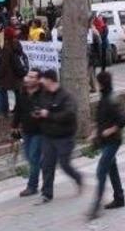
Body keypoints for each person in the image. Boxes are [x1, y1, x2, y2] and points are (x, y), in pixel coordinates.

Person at [36, 69, 82, 203]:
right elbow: (41, 107)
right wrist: (38, 114)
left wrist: (48, 115)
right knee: (46, 164)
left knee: (64, 164)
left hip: (64, 136)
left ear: (50, 80)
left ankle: (78, 178)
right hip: (48, 136)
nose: (41, 81)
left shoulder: (66, 96)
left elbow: (69, 114)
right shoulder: (44, 94)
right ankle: (47, 193)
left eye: (43, 79)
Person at [88, 71, 125, 220]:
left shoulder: (112, 99)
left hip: (113, 141)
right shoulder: (104, 97)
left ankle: (96, 207)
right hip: (105, 141)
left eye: (97, 82)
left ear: (102, 83)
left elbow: (123, 120)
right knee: (112, 169)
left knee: (101, 171)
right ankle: (119, 198)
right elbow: (102, 119)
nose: (96, 85)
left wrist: (109, 130)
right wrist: (95, 132)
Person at [12, 69, 43, 197]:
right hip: (26, 131)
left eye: (32, 77)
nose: (28, 79)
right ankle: (43, 168)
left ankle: (32, 186)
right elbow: (18, 110)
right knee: (29, 157)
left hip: (39, 131)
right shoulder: (22, 93)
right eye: (28, 76)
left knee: (33, 158)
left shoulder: (43, 95)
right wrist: (14, 126)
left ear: (38, 80)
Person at [0, 27, 27, 113]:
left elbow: (5, 63)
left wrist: (0, 74)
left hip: (9, 74)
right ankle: (18, 109)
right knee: (17, 92)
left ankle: (5, 109)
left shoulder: (6, 47)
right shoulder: (17, 43)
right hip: (18, 72)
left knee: (3, 91)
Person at [87, 19, 102, 91]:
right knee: (91, 73)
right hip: (89, 56)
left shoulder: (94, 33)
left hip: (92, 56)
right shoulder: (88, 33)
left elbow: (98, 46)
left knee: (90, 73)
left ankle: (94, 87)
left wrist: (99, 56)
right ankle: (94, 87)